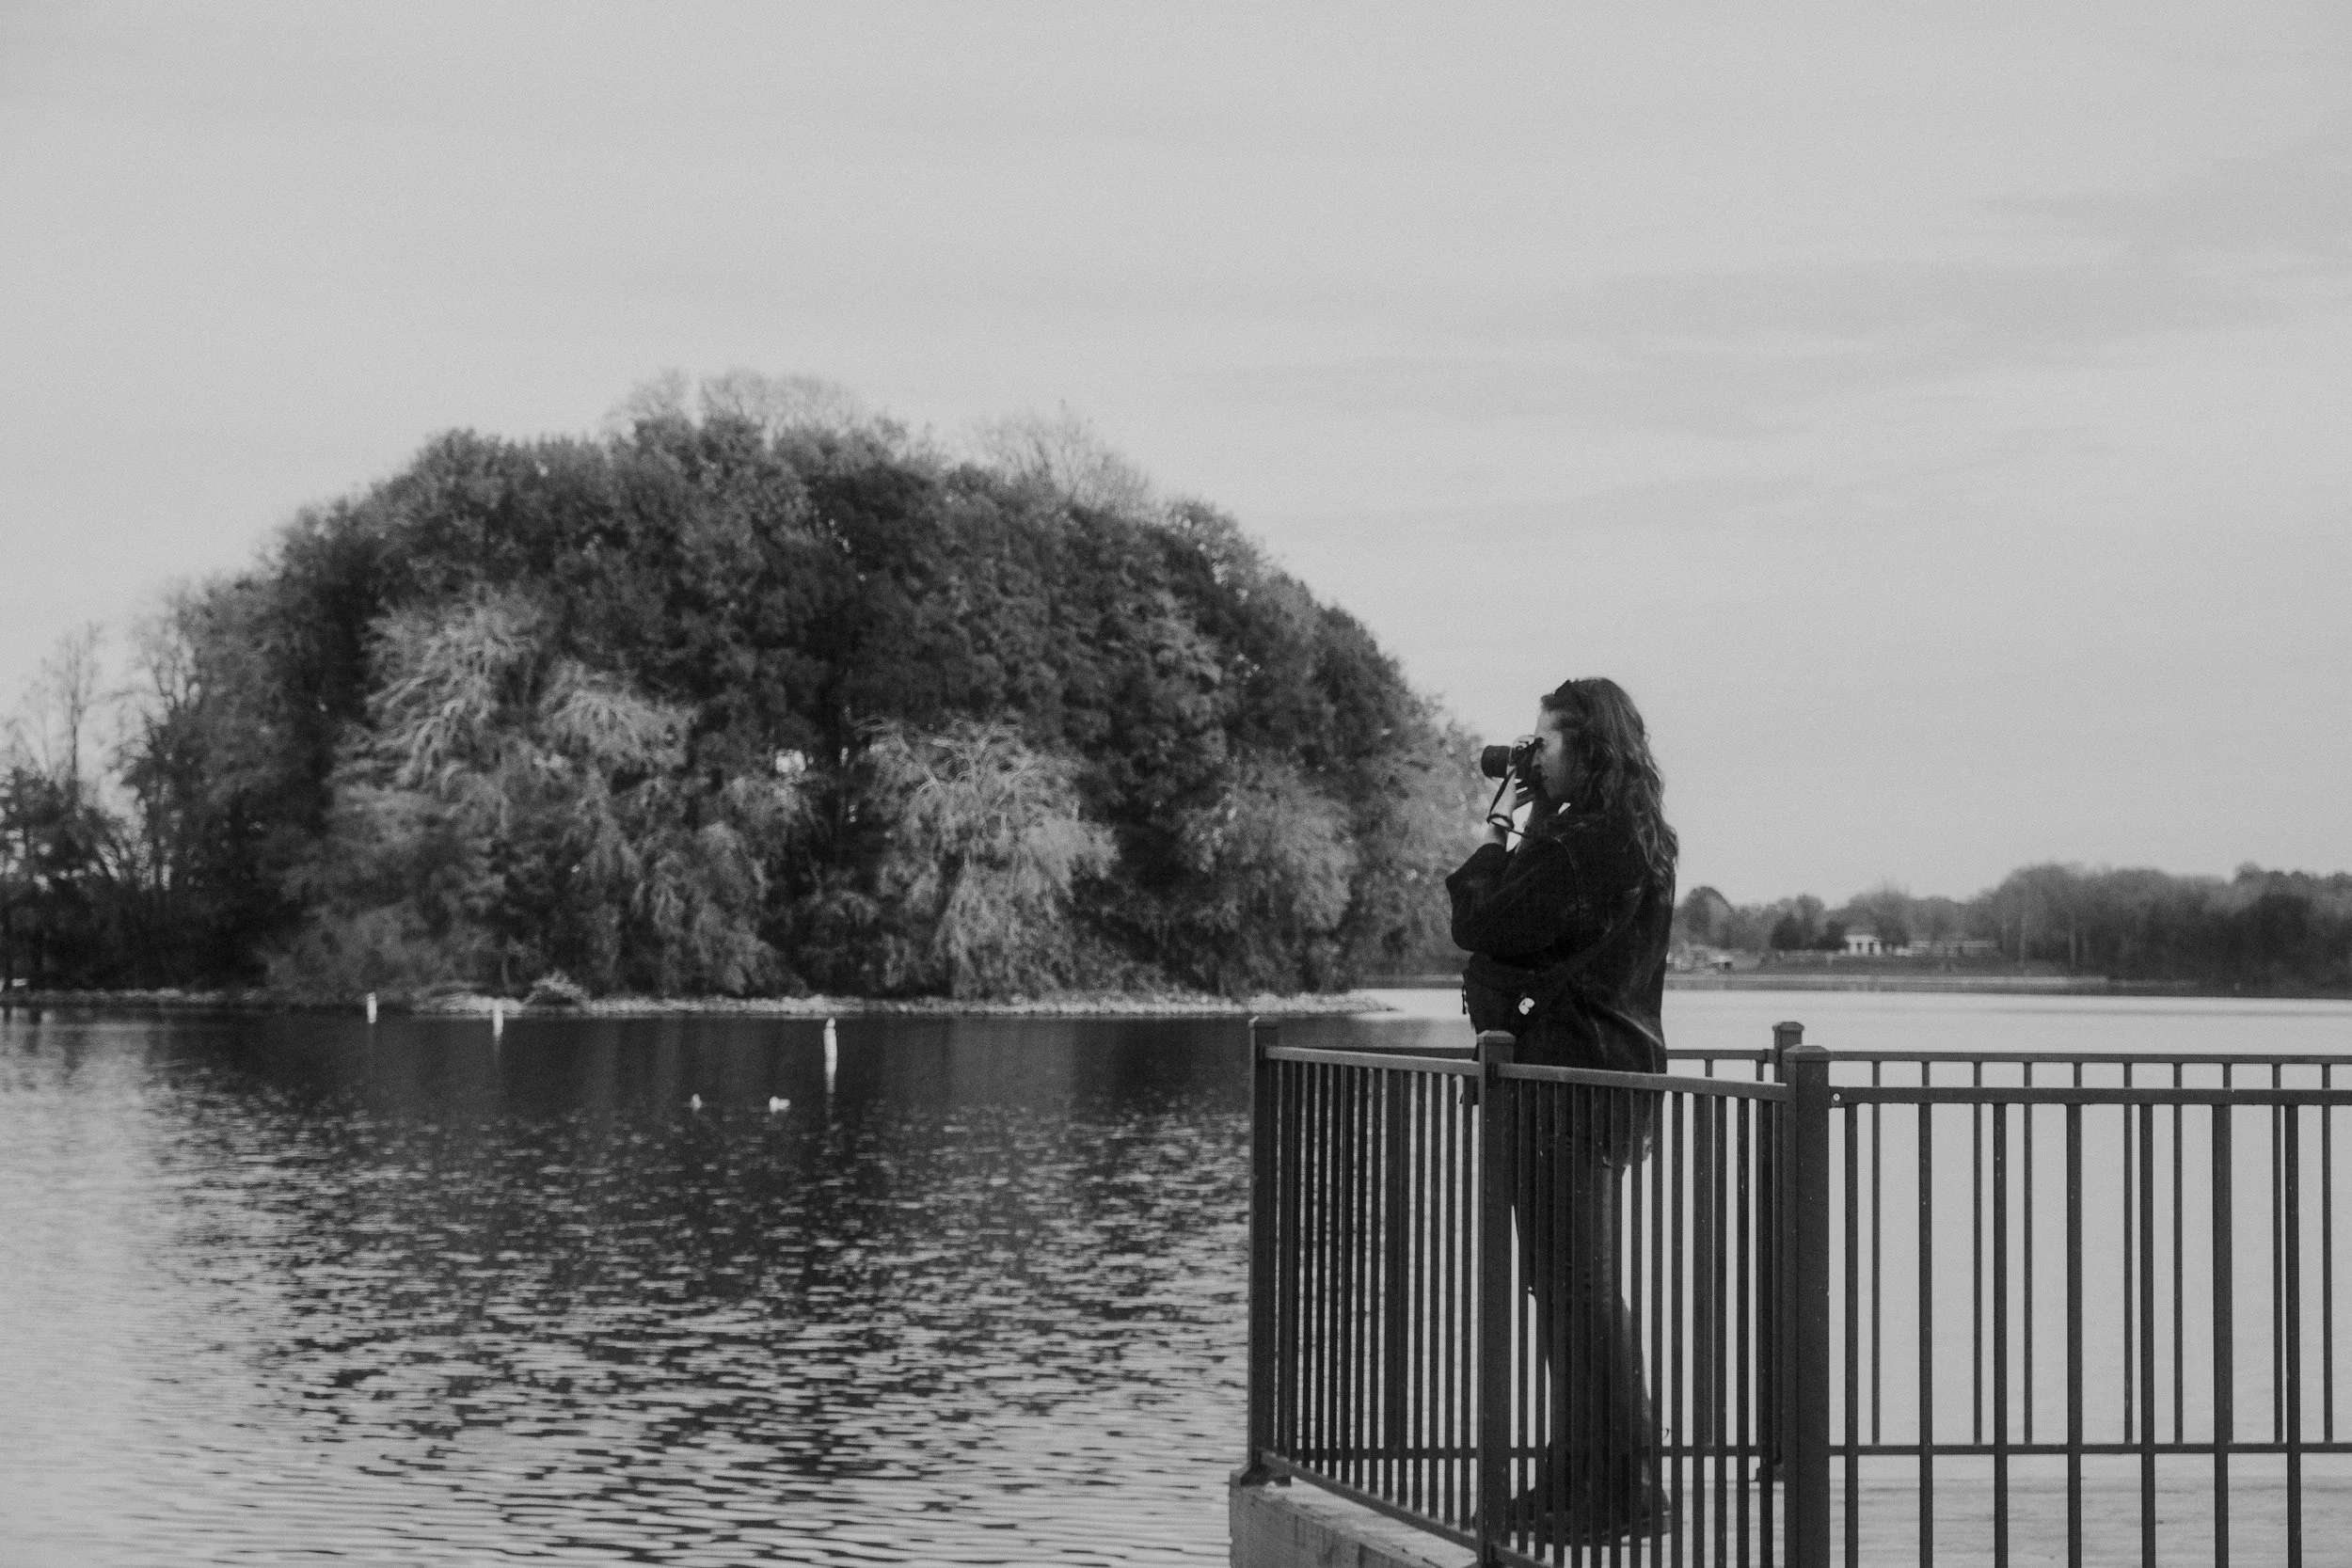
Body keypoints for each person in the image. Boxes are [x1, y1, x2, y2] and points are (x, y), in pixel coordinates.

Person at [1445, 676, 1677, 1544]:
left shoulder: (1594, 842)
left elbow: (1490, 921)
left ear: (1588, 746)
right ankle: (1576, 1475)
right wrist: (1530, 817)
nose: (1530, 756)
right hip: (1586, 1078)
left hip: (1575, 1081)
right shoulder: (1613, 833)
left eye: (1543, 744)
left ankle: (1625, 1490)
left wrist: (1499, 833)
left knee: (1579, 1292)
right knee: (1569, 1292)